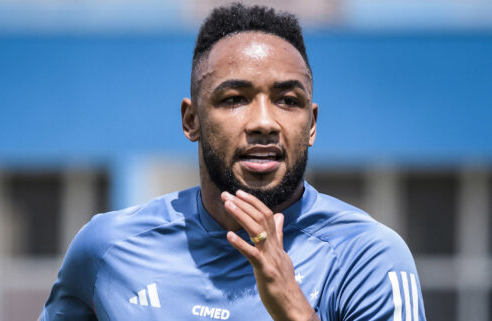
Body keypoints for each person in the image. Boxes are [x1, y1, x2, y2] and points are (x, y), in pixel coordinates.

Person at [40, 3, 426, 320]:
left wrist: (293, 307)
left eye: (288, 101)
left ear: (311, 124)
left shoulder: (368, 256)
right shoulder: (107, 250)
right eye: (234, 99)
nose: (263, 122)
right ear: (191, 121)